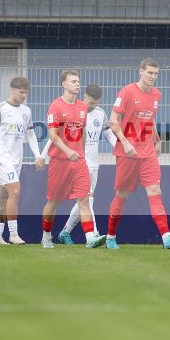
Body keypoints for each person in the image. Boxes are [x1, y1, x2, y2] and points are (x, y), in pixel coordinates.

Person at [107, 58, 170, 250]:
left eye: (155, 74)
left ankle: (167, 237)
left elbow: (149, 119)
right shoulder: (127, 92)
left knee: (155, 191)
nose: (153, 77)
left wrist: (157, 139)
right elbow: (113, 121)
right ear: (141, 71)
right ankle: (110, 236)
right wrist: (125, 142)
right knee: (122, 194)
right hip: (127, 153)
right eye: (150, 73)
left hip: (147, 153)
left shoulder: (157, 94)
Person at [41, 70, 106, 249]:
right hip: (59, 161)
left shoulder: (82, 107)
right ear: (64, 84)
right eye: (73, 81)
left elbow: (82, 131)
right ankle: (46, 236)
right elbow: (53, 135)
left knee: (84, 199)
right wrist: (68, 150)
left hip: (78, 162)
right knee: (53, 202)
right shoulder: (55, 106)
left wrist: (81, 153)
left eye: (78, 81)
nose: (77, 84)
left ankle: (90, 237)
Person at [0, 77, 44, 244]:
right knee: (15, 191)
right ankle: (13, 234)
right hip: (1, 158)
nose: (24, 96)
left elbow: (30, 134)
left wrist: (38, 155)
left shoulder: (26, 111)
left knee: (4, 197)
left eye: (26, 93)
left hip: (16, 159)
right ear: (12, 90)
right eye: (21, 92)